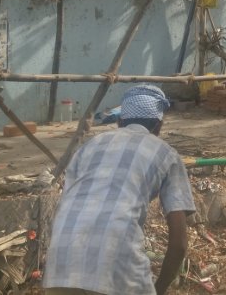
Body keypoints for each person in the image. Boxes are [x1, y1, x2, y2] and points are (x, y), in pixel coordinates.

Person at [44, 85, 195, 295]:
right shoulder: (167, 154)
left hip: (60, 264)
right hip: (117, 268)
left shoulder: (88, 147)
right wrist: (159, 289)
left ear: (119, 121)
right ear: (159, 125)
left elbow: (67, 206)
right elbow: (179, 244)